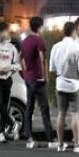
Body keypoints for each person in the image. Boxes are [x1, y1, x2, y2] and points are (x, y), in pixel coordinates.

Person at [49, 21, 79, 153]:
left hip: (60, 83)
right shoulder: (78, 47)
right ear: (74, 32)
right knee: (75, 114)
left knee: (61, 114)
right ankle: (77, 144)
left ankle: (60, 144)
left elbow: (52, 69)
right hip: (75, 84)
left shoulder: (56, 47)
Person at [20, 16, 56, 149]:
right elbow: (42, 59)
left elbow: (19, 58)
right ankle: (50, 139)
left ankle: (29, 138)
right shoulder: (39, 41)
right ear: (40, 27)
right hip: (37, 78)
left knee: (29, 108)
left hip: (28, 78)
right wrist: (44, 76)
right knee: (44, 108)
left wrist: (25, 72)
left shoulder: (25, 41)